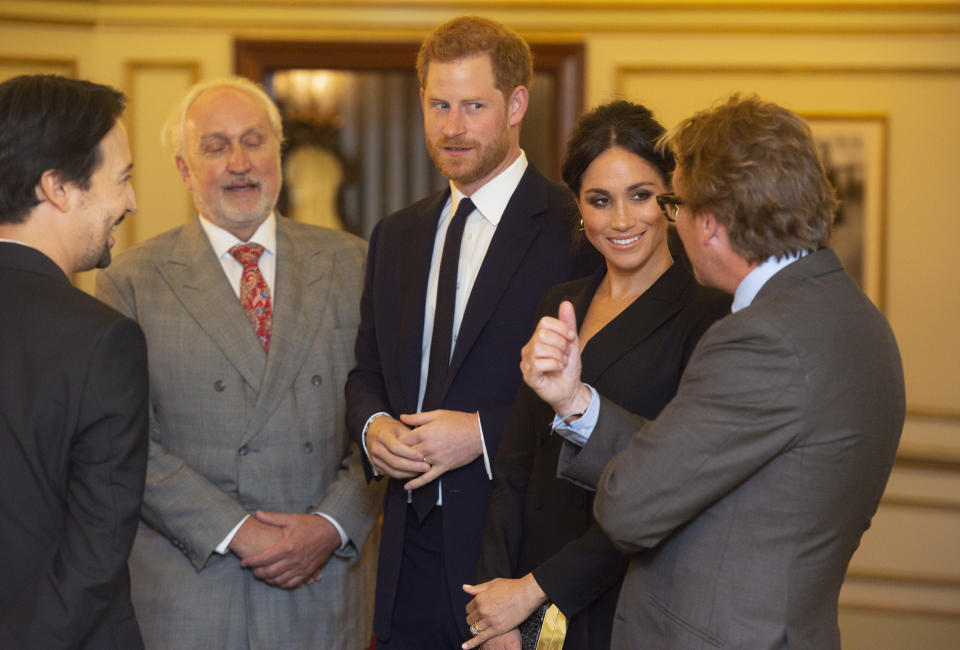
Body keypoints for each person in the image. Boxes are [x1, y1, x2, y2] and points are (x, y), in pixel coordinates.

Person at [514, 95, 905, 649]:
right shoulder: (855, 316)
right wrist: (576, 402)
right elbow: (705, 467)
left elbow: (628, 507)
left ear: (711, 223)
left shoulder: (762, 338)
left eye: (676, 205)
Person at [96, 77, 382, 649]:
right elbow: (125, 444)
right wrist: (238, 531)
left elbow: (384, 417)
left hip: (324, 587)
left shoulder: (356, 264)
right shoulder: (130, 281)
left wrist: (331, 524)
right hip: (193, 590)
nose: (239, 163)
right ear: (182, 169)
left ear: (279, 154)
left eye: (255, 141)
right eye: (215, 146)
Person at [345, 16, 597, 648]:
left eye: (474, 106)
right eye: (439, 105)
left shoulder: (576, 229)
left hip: (512, 564)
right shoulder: (396, 235)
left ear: (516, 105)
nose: (452, 127)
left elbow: (602, 394)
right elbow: (365, 372)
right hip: (403, 557)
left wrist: (481, 433)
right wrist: (374, 426)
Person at [464, 100, 731, 650]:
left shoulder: (707, 315)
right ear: (580, 211)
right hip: (521, 600)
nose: (623, 220)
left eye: (641, 195)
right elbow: (515, 467)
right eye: (600, 201)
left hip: (621, 600)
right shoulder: (561, 302)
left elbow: (668, 492)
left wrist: (535, 591)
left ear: (672, 200)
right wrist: (497, 607)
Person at [0, 74, 147, 649]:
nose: (132, 202)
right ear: (59, 188)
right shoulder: (103, 340)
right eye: (123, 178)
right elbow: (96, 555)